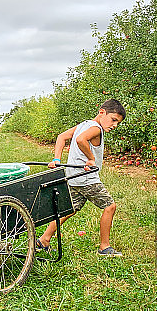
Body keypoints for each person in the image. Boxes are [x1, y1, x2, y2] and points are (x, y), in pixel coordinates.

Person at [36, 98, 126, 256]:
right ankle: (105, 247)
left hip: (73, 177)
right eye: (113, 120)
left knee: (69, 209)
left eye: (117, 122)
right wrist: (91, 158)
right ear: (102, 112)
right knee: (110, 207)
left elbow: (61, 137)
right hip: (86, 178)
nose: (114, 125)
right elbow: (80, 140)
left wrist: (57, 159)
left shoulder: (83, 125)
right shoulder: (96, 128)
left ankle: (44, 239)